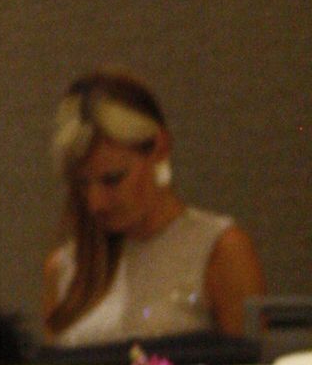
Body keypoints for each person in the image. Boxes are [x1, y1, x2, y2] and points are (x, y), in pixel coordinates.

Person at [43, 69, 264, 346]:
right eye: (83, 184)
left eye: (112, 179)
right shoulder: (65, 268)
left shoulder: (220, 251)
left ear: (160, 147)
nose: (95, 202)